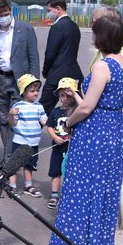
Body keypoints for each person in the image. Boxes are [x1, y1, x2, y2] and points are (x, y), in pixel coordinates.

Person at [46, 15, 123, 245]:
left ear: (102, 37)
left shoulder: (102, 66)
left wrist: (68, 122)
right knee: (104, 192)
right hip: (114, 132)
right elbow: (103, 99)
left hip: (94, 134)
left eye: (95, 33)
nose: (92, 37)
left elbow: (86, 108)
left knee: (80, 191)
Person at [0, 0, 39, 171]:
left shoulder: (25, 30)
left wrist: (33, 84)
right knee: (3, 121)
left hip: (20, 82)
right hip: (0, 80)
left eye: (6, 13)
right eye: (0, 15)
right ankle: (7, 156)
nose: (3, 17)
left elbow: (34, 57)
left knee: (15, 119)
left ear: (11, 11)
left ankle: (13, 159)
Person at [90, 6, 123, 128]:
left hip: (108, 122)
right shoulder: (106, 49)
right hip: (108, 119)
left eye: (94, 22)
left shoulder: (116, 51)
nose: (91, 27)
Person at [40, 0, 83, 116]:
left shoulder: (57, 27)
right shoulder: (74, 26)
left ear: (58, 9)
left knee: (43, 108)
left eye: (50, 10)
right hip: (73, 74)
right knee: (77, 108)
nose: (48, 14)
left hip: (56, 74)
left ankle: (30, 132)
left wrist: (45, 70)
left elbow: (50, 53)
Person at [7, 74, 47, 196]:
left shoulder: (39, 107)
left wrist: (57, 126)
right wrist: (11, 115)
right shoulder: (18, 106)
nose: (36, 93)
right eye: (32, 91)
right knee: (14, 165)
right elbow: (13, 124)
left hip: (34, 143)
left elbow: (44, 121)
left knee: (29, 165)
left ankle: (28, 185)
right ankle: (12, 187)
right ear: (23, 92)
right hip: (20, 141)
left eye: (37, 90)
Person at [45, 77, 79, 210]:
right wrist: (55, 137)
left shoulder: (77, 111)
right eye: (62, 95)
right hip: (58, 147)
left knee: (70, 172)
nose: (64, 99)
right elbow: (49, 127)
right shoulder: (55, 111)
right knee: (56, 171)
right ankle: (54, 195)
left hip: (71, 148)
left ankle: (69, 196)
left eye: (67, 95)